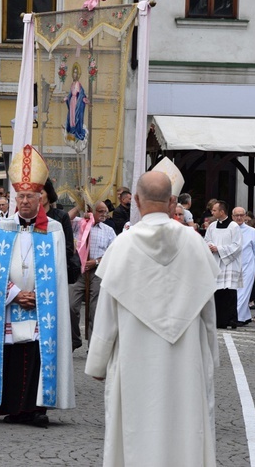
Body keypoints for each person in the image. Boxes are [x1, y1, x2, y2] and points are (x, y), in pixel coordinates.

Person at [85, 171, 220, 466]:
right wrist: (210, 355)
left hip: (135, 359)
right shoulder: (196, 244)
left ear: (135, 200)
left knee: (134, 433)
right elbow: (209, 313)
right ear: (172, 201)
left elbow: (106, 313)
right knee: (186, 431)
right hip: (186, 360)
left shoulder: (122, 246)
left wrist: (97, 362)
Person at [0, 144, 75, 427]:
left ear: (41, 198)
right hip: (10, 306)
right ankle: (13, 407)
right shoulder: (3, 229)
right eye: (20, 196)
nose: (24, 201)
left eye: (30, 196)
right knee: (12, 354)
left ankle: (35, 409)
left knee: (38, 354)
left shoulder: (53, 230)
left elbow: (58, 275)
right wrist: (15, 293)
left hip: (41, 306)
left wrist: (39, 295)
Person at [70, 201, 116, 350]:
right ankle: (74, 339)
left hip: (97, 272)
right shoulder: (79, 223)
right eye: (100, 211)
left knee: (95, 309)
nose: (104, 214)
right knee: (71, 306)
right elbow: (65, 218)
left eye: (106, 211)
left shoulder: (108, 230)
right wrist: (80, 207)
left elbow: (113, 253)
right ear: (92, 211)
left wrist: (96, 261)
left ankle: (94, 346)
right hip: (78, 272)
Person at [204, 200, 243, 329]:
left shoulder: (233, 227)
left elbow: (237, 246)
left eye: (214, 210)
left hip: (229, 263)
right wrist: (210, 247)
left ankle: (231, 320)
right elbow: (207, 240)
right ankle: (219, 320)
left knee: (229, 291)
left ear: (222, 211)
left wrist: (219, 249)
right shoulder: (212, 226)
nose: (212, 212)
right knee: (217, 291)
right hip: (216, 261)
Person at [42, 178, 81, 285]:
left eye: (40, 193)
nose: (37, 197)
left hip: (56, 269)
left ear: (48, 195)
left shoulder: (61, 216)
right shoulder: (29, 218)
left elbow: (68, 247)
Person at [232, 207, 255, 325]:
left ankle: (238, 317)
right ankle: (245, 316)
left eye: (241, 215)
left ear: (245, 216)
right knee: (235, 292)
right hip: (232, 265)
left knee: (244, 292)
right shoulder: (228, 229)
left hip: (248, 265)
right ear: (232, 216)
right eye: (237, 215)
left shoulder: (252, 231)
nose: (239, 218)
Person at [64, 62, 89, 141]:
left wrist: (85, 100)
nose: (74, 74)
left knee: (75, 117)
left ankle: (75, 132)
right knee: (71, 117)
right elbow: (70, 95)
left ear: (78, 74)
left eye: (76, 73)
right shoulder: (72, 84)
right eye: (73, 72)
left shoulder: (78, 84)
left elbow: (82, 94)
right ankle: (72, 132)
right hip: (72, 102)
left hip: (76, 102)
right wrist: (65, 99)